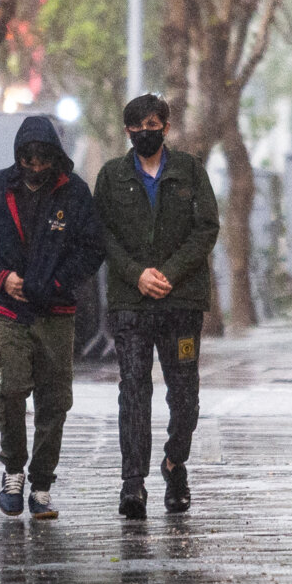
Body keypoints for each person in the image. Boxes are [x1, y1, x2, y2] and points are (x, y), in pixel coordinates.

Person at [0, 115, 103, 519]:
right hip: (10, 311)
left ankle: (41, 484)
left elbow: (93, 249)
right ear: (19, 156)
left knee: (55, 400)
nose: (36, 167)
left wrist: (58, 284)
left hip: (57, 312)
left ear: (55, 157)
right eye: (29, 159)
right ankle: (12, 471)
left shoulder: (74, 193)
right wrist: (1, 279)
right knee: (12, 390)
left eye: (43, 159)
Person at [94, 94, 220, 519]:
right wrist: (137, 275)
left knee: (184, 393)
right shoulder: (111, 177)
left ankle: (174, 463)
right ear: (127, 131)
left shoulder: (190, 171)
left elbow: (207, 228)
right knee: (134, 390)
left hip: (181, 303)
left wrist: (168, 273)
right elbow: (103, 235)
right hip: (131, 306)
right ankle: (133, 484)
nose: (145, 131)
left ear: (166, 127)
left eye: (153, 123)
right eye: (137, 125)